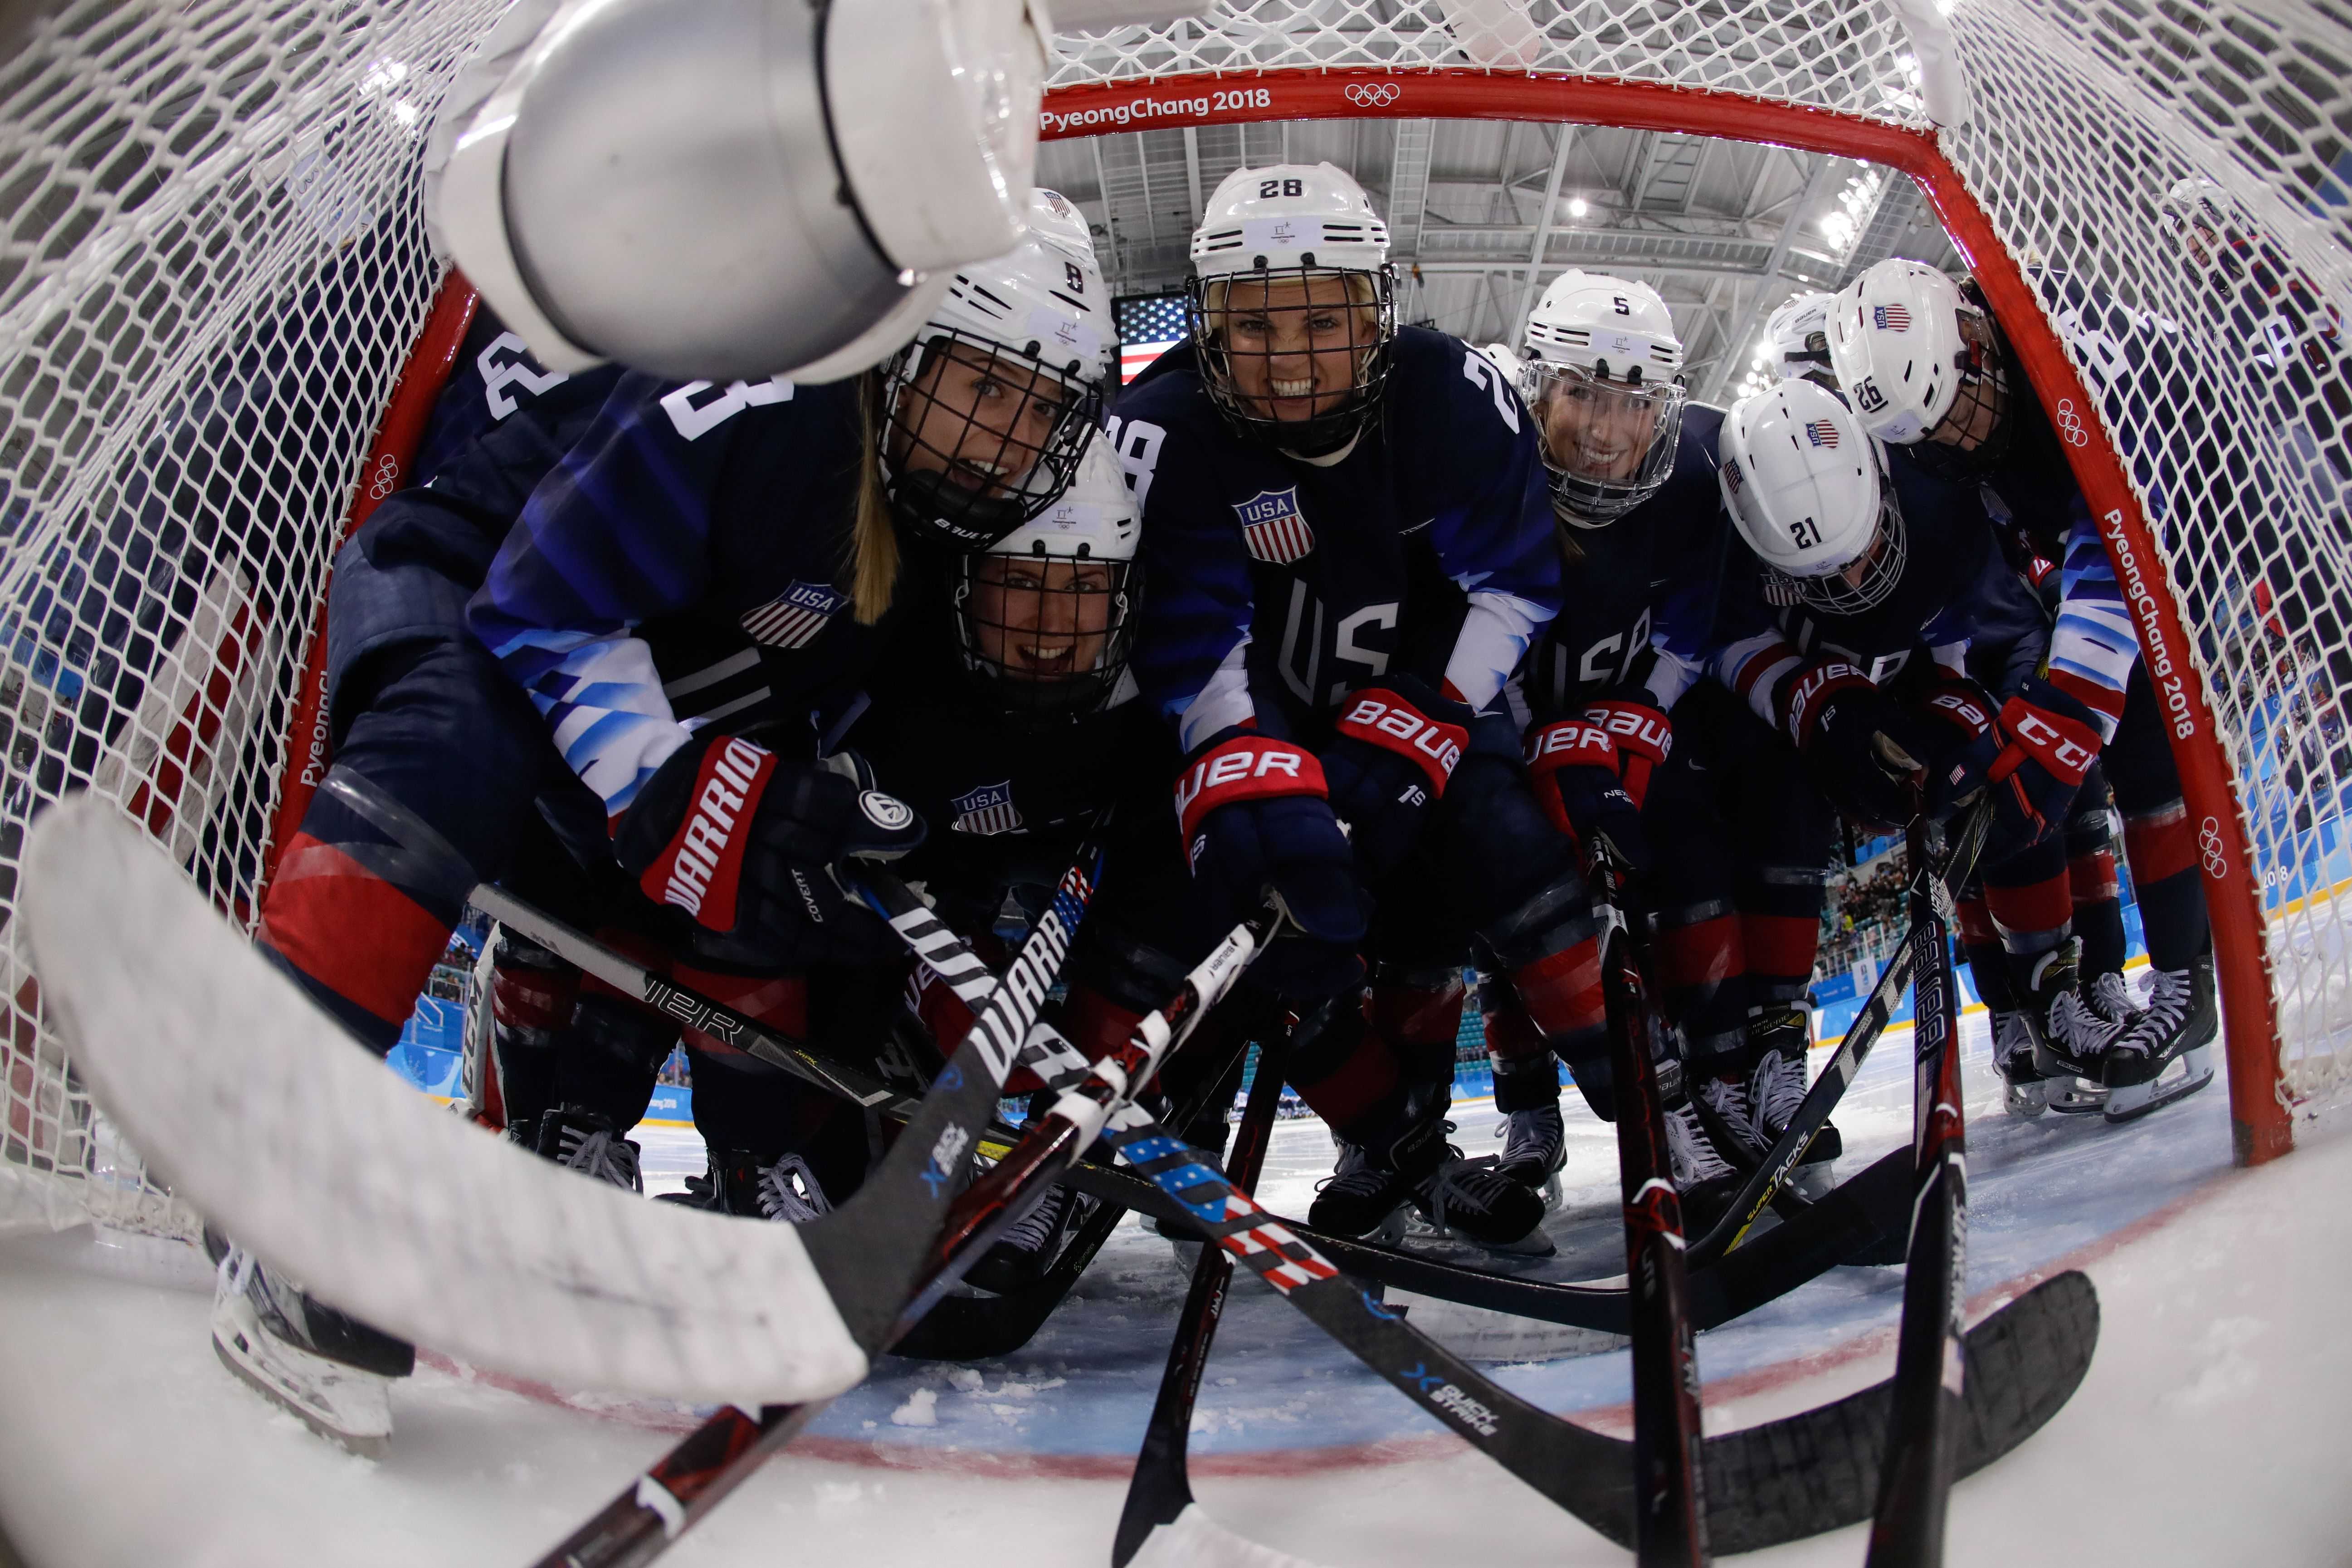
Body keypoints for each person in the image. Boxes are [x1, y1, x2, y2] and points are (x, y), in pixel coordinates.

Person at [217, 190, 1115, 1452]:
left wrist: (820, 808)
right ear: (907, 346)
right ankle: (267, 1163)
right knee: (463, 734)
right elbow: (536, 607)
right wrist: (667, 776)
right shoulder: (779, 388)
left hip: (637, 690)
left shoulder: (926, 516)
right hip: (470, 595)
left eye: (1039, 408)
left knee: (780, 886)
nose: (1004, 438)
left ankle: (725, 1163)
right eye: (984, 384)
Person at [1112, 161, 1568, 1252]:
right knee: (1240, 907)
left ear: (1375, 315)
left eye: (1323, 320)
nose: (1291, 357)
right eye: (1256, 324)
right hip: (1240, 717)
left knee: (1453, 878)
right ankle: (1314, 1130)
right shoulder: (1162, 425)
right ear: (1209, 327)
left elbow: (1513, 584)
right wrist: (1252, 772)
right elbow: (1192, 643)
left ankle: (1445, 1136)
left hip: (1387, 702)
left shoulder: (1443, 394)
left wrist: (1427, 719)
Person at [1826, 258, 2216, 1120]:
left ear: (1974, 342)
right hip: (2105, 548)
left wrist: (2062, 715)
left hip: (2213, 505)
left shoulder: (2063, 353)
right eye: (1932, 433)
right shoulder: (1944, 425)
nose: (1956, 441)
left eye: (1956, 413)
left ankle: (2183, 983)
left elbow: (2117, 534)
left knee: (2143, 736)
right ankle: (2157, 985)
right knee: (2104, 745)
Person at [1712, 376, 2144, 1119]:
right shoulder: (1725, 534)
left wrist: (1957, 700)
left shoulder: (1932, 490)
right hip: (1814, 701)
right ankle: (1771, 1048)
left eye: (1863, 546)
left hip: (1928, 675)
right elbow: (1718, 640)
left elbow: (1987, 631)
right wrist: (1814, 702)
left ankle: (2044, 990)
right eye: (1826, 573)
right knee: (1780, 814)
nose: (1856, 579)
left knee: (1996, 771)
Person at [1481, 269, 1809, 1221]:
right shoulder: (1485, 464)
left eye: (1634, 401)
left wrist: (1641, 718)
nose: (1608, 427)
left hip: (1628, 717)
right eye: (1583, 393)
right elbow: (1462, 620)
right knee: (1511, 897)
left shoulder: (1696, 466)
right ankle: (1528, 1106)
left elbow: (1689, 624)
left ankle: (1716, 1083)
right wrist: (1533, 738)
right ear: (1537, 387)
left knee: (1692, 850)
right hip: (1511, 723)